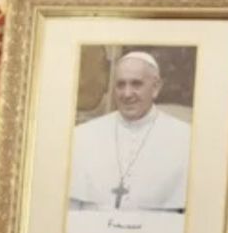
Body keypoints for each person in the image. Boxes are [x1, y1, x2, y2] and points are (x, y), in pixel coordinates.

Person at [68, 52, 191, 212]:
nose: (126, 94)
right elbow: (71, 211)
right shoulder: (83, 136)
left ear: (155, 88)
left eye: (136, 84)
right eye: (120, 85)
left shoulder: (185, 138)